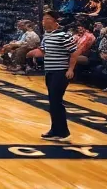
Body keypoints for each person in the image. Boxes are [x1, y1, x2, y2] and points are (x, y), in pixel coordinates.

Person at [40, 10, 81, 142]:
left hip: (61, 72)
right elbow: (43, 51)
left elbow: (74, 52)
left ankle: (62, 132)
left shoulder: (64, 35)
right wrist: (28, 53)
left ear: (53, 20)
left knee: (56, 101)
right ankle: (56, 130)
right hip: (49, 71)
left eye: (46, 18)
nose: (43, 21)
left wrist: (70, 69)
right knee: (53, 102)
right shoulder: (46, 35)